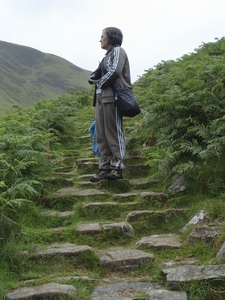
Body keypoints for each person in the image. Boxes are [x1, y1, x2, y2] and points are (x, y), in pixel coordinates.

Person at [88, 27, 132, 182]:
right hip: (101, 97)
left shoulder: (118, 51)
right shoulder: (106, 56)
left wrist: (99, 81)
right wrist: (94, 76)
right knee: (101, 134)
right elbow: (104, 72)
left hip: (113, 97)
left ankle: (117, 167)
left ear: (112, 37)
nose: (100, 39)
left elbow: (115, 71)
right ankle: (104, 167)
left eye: (102, 36)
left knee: (113, 133)